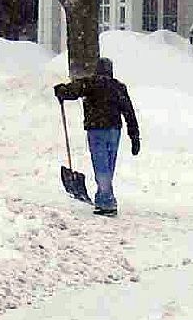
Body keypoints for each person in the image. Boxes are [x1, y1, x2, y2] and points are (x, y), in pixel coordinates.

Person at [54, 57, 141, 216]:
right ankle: (104, 196)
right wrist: (134, 136)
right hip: (114, 130)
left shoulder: (91, 83)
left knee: (101, 165)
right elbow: (129, 111)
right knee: (108, 165)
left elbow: (73, 91)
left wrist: (61, 91)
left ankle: (106, 201)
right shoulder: (118, 87)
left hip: (97, 129)